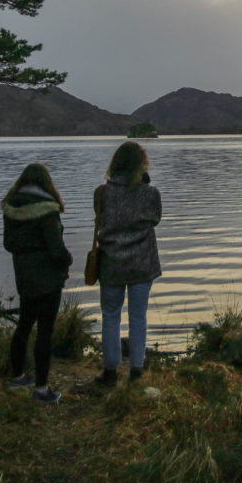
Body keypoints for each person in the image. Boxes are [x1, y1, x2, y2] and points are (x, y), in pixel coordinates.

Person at [1, 163, 73, 404]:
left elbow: (9, 245)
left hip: (24, 276)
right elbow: (56, 250)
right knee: (45, 330)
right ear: (46, 183)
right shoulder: (47, 212)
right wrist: (68, 259)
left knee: (23, 325)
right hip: (49, 279)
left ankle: (17, 376)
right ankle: (42, 389)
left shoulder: (11, 209)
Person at [92, 141, 162, 386]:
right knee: (138, 316)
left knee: (110, 315)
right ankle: (136, 370)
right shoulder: (150, 193)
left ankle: (110, 371)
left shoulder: (102, 193)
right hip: (142, 264)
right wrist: (146, 182)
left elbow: (100, 220)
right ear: (141, 165)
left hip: (111, 263)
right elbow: (155, 218)